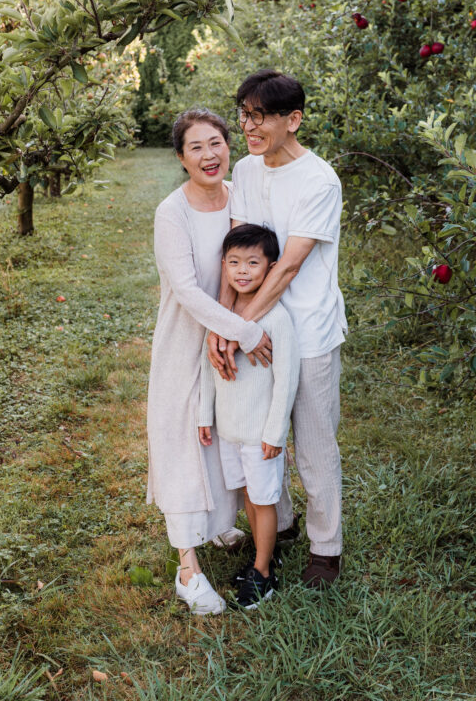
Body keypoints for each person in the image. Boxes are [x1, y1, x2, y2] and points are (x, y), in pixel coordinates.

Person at [207, 69, 347, 588]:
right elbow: (234, 251)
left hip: (307, 332)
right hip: (252, 331)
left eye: (260, 115)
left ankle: (325, 549)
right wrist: (224, 325)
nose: (249, 125)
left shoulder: (319, 180)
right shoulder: (244, 170)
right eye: (244, 113)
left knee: (312, 445)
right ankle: (279, 525)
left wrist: (237, 327)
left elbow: (286, 267)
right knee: (258, 432)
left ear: (294, 120)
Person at [146, 108, 272, 615]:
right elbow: (186, 291)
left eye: (216, 142)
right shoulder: (170, 213)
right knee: (180, 440)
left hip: (228, 339)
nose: (209, 154)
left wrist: (235, 330)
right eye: (196, 147)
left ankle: (221, 523)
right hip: (186, 339)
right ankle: (187, 568)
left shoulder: (238, 195)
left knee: (223, 435)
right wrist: (241, 330)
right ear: (181, 158)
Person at [198, 224, 300, 609]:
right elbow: (211, 366)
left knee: (263, 499)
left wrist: (275, 432)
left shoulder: (275, 318)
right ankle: (261, 557)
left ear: (271, 268)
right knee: (248, 497)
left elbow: (286, 378)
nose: (242, 271)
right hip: (229, 430)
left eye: (253, 263)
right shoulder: (222, 315)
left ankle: (262, 572)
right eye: (234, 262)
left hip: (260, 434)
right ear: (223, 265)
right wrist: (203, 413)